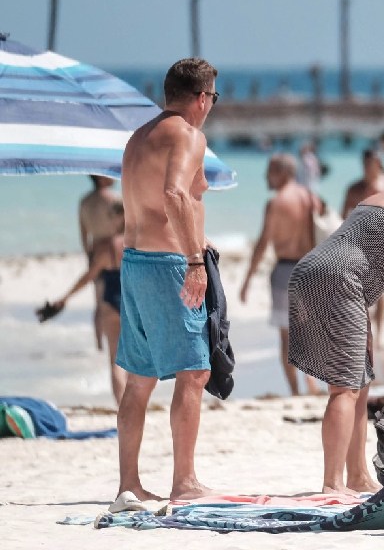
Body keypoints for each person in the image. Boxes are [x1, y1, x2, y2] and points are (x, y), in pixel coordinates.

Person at [116, 57, 220, 504]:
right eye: (213, 98)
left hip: (134, 261)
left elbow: (155, 203)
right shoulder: (189, 134)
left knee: (139, 379)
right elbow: (175, 193)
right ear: (201, 98)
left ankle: (129, 483)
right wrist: (195, 261)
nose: (211, 106)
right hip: (167, 266)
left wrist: (198, 237)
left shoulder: (139, 138)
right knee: (194, 371)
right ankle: (184, 481)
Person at [288, 186, 384, 494]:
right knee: (345, 389)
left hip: (315, 270)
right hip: (340, 279)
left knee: (361, 380)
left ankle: (356, 474)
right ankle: (332, 484)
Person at [239, 154, 322, 396]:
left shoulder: (276, 203)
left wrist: (248, 279)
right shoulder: (311, 199)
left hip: (285, 271)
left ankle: (295, 390)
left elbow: (263, 243)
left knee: (287, 337)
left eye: (271, 171)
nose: (266, 176)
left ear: (284, 173)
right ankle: (313, 384)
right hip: (311, 270)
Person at [46, 199, 128, 404]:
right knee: (134, 360)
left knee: (115, 361)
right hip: (132, 302)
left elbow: (88, 277)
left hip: (110, 301)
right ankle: (134, 406)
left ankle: (122, 408)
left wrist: (65, 298)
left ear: (116, 219)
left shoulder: (108, 246)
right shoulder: (139, 242)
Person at [342, 148, 384, 343]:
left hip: (382, 245)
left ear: (378, 165)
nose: (369, 168)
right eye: (366, 164)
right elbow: (342, 217)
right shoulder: (354, 189)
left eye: (372, 164)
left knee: (381, 293)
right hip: (358, 246)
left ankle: (379, 335)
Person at [79, 175, 123, 351]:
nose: (112, 176)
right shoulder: (114, 198)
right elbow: (124, 227)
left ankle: (99, 345)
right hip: (113, 252)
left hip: (95, 252)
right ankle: (115, 342)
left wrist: (89, 255)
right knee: (114, 301)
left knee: (99, 303)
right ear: (100, 178)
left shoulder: (84, 201)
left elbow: (83, 233)